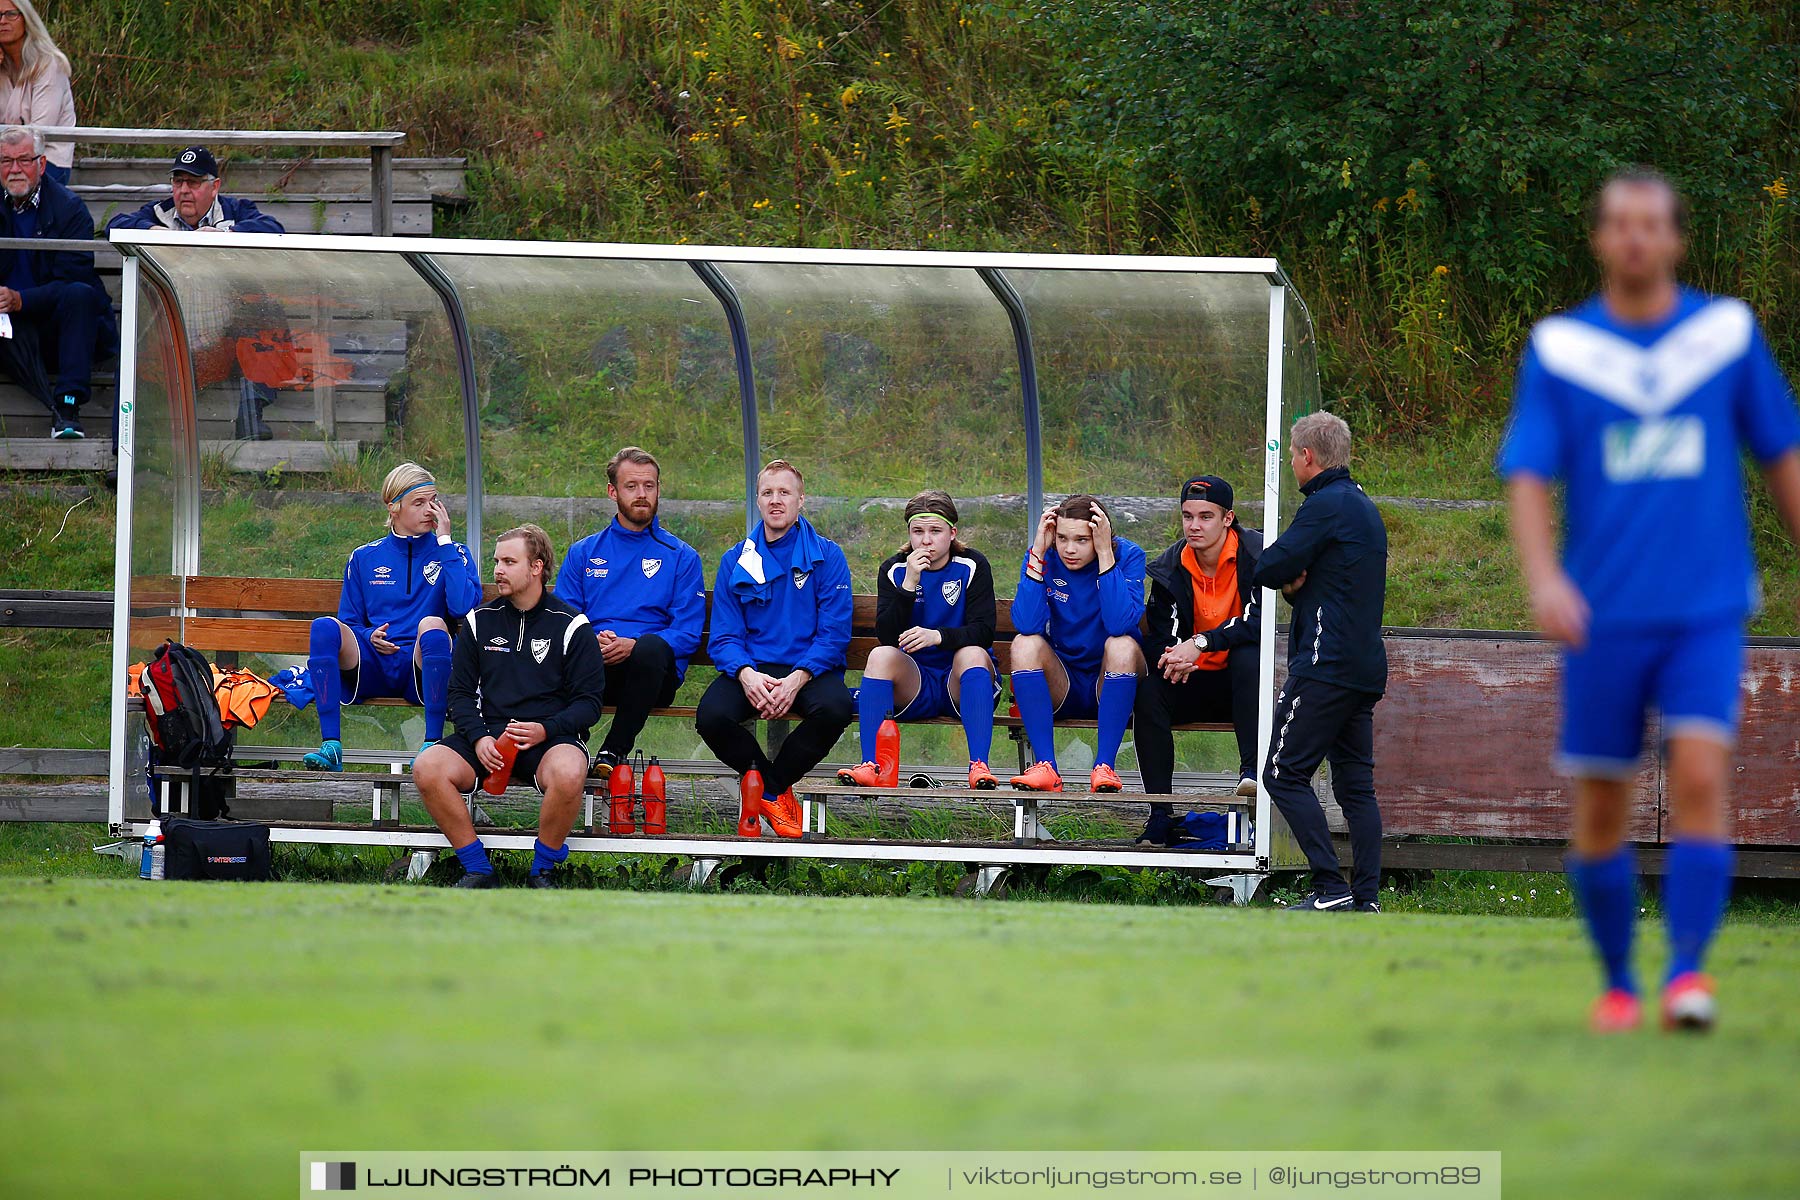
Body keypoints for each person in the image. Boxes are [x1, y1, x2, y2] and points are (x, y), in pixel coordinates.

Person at [1498, 167, 1800, 1033]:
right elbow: (1526, 472)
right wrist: (1545, 576)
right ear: (1599, 238)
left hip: (1704, 607)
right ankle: (1620, 983)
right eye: (1620, 223)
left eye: (1652, 223)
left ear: (1675, 238)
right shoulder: (1561, 349)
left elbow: (1780, 451)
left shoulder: (1725, 335)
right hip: (1603, 616)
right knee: (1601, 807)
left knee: (1703, 774)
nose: (1636, 237)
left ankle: (1688, 977)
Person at [414, 524, 607, 889]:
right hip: (487, 736)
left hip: (548, 738)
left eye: (509, 561)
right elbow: (459, 695)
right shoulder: (478, 621)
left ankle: (543, 871)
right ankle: (477, 868)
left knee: (568, 771)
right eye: (496, 561)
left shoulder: (571, 625)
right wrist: (479, 738)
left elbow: (589, 705)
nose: (498, 569)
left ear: (537, 567)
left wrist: (546, 729)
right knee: (427, 767)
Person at [1251, 412, 1388, 913]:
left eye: (1291, 455)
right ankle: (1366, 900)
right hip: (1363, 668)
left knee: (1283, 773)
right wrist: (1296, 585)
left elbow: (1269, 565)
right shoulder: (1363, 508)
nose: (1291, 463)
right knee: (1356, 789)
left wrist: (1288, 579)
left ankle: (1331, 888)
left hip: (1323, 665)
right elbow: (1331, 585)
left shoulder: (1324, 506)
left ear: (1307, 456)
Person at [696, 460, 853, 839]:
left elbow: (833, 634)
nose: (776, 500)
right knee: (711, 716)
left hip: (809, 668)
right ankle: (775, 791)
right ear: (758, 501)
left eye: (784, 492)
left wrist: (796, 680)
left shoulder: (828, 557)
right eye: (767, 493)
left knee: (837, 708)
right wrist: (746, 675)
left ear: (801, 500)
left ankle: (768, 788)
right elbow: (724, 637)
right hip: (754, 668)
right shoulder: (736, 559)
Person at [302, 463, 483, 771]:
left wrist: (444, 543)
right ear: (394, 506)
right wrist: (368, 636)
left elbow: (461, 607)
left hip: (421, 667)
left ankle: (432, 745)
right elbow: (350, 619)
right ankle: (331, 745)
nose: (430, 510)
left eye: (434, 501)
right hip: (372, 664)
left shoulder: (454, 552)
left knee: (432, 623)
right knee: (324, 627)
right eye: (419, 502)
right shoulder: (364, 557)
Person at [107, 147, 287, 441]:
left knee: (269, 317)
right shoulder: (158, 212)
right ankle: (126, 451)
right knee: (129, 351)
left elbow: (273, 228)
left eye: (193, 183)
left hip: (224, 341)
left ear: (214, 186)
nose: (184, 191)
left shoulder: (235, 211)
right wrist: (153, 232)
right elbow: (115, 225)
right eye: (178, 183)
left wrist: (225, 236)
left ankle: (251, 419)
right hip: (168, 342)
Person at [554, 446, 705, 780]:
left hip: (652, 674)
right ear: (613, 491)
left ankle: (613, 750)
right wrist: (592, 641)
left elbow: (688, 632)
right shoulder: (584, 553)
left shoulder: (682, 556)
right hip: (596, 667)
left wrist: (633, 644)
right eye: (632, 486)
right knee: (566, 653)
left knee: (650, 647)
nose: (642, 494)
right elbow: (562, 621)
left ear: (658, 490)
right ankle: (572, 744)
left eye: (649, 486)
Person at [841, 490, 1001, 790]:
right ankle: (870, 765)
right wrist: (909, 583)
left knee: (973, 654)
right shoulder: (895, 569)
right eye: (918, 531)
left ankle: (979, 765)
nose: (926, 540)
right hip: (915, 683)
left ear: (952, 533)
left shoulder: (972, 565)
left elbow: (984, 630)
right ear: (909, 534)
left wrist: (938, 636)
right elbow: (887, 636)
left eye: (935, 531)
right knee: (879, 656)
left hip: (962, 684)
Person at [1135, 475, 1264, 844]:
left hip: (1244, 686)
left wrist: (1202, 642)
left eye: (1206, 516)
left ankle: (1251, 773)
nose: (1194, 525)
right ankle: (1160, 813)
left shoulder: (1257, 556)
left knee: (1248, 656)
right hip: (1191, 679)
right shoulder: (1170, 566)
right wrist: (1177, 656)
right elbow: (1160, 634)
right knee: (1149, 689)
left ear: (1228, 518)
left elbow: (1259, 622)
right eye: (1187, 515)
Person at [1007, 494, 1148, 794]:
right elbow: (1027, 624)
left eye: (1082, 539)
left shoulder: (1128, 555)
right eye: (1062, 538)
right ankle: (1046, 767)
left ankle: (1105, 767)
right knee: (1023, 644)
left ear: (1100, 535)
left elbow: (1120, 623)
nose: (1069, 549)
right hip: (1064, 682)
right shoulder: (1044, 556)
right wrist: (1039, 551)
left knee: (1120, 645)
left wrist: (1104, 555)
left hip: (1109, 680)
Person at [0, 125, 114, 441]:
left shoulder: (69, 209)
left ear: (42, 164)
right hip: (6, 326)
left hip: (56, 329)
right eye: (6, 161)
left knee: (80, 295)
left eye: (23, 160)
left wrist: (21, 299)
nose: (14, 170)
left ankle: (68, 407)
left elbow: (73, 277)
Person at [0, 1, 75, 185]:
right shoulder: (2, 68)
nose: (2, 21)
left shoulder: (49, 65)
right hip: (6, 160)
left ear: (26, 19)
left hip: (45, 163)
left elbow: (38, 135)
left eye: (11, 14)